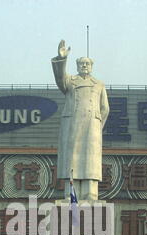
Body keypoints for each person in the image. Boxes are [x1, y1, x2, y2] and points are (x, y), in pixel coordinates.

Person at [51, 39, 109, 201]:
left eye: (87, 63)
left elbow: (105, 108)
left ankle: (91, 192)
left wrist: (97, 125)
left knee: (90, 158)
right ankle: (71, 192)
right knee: (73, 158)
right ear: (77, 66)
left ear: (92, 66)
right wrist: (61, 58)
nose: (84, 66)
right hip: (73, 124)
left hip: (92, 126)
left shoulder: (99, 84)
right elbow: (59, 78)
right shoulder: (70, 81)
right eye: (81, 63)